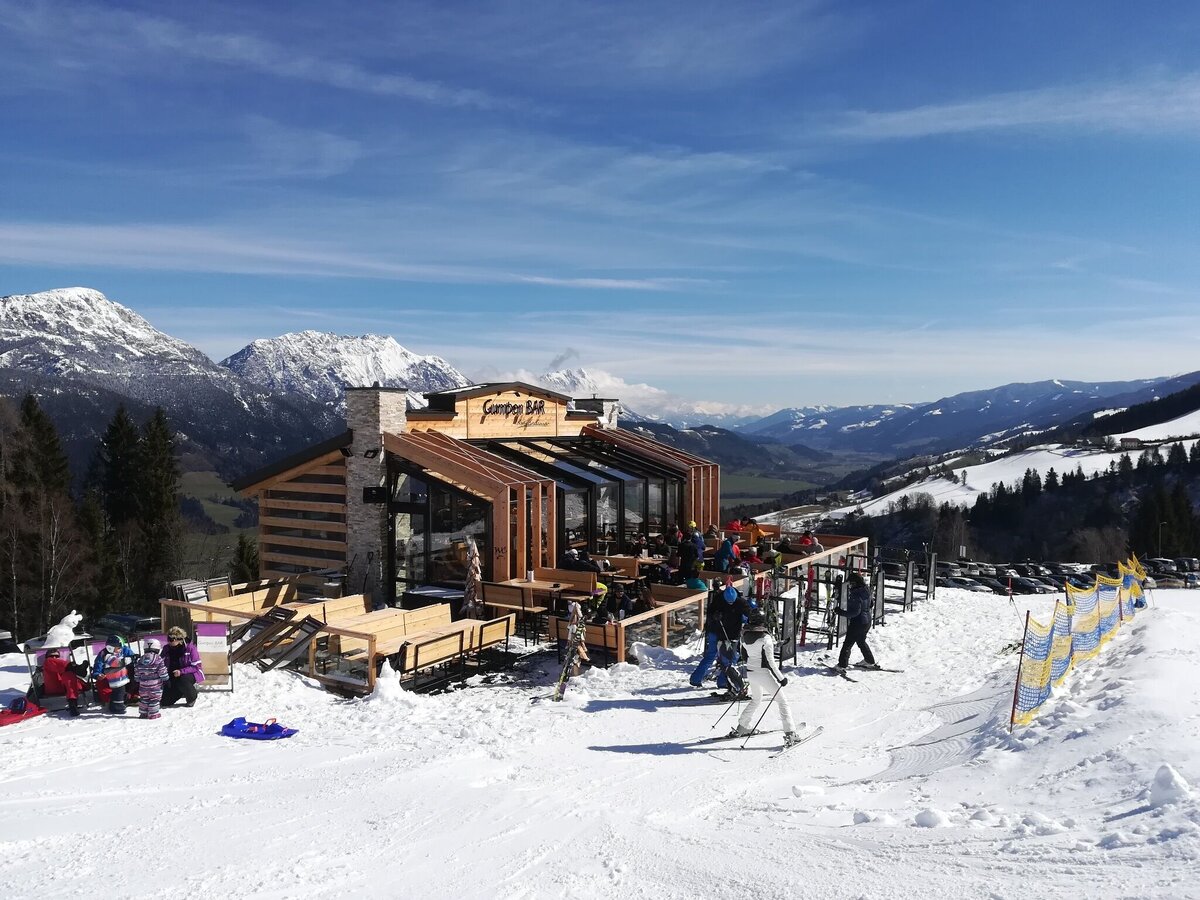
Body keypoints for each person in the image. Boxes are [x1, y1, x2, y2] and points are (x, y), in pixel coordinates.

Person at [730, 611, 800, 746]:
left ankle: (742, 726)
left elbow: (744, 655)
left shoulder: (744, 635)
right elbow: (770, 661)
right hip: (763, 674)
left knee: (756, 699)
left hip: (751, 672)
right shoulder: (765, 638)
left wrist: (776, 645)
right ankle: (790, 733)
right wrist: (781, 678)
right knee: (782, 701)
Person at [689, 584, 753, 692]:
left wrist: (752, 619)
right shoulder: (718, 600)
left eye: (732, 602)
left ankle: (722, 681)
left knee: (728, 659)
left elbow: (749, 613)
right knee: (713, 655)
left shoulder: (741, 602)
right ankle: (696, 679)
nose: (730, 604)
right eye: (728, 602)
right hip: (715, 631)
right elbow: (710, 613)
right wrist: (714, 616)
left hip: (731, 634)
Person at [835, 572, 878, 670]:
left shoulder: (856, 594)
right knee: (861, 641)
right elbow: (871, 604)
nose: (850, 586)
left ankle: (842, 665)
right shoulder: (866, 590)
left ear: (855, 583)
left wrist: (840, 612)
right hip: (867, 621)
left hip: (857, 622)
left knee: (848, 643)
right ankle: (869, 660)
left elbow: (855, 612)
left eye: (850, 583)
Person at [161, 627, 205, 708]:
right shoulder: (166, 648)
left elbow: (196, 666)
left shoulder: (190, 648)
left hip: (190, 673)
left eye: (171, 639)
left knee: (183, 680)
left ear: (179, 639)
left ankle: (192, 697)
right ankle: (181, 691)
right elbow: (160, 661)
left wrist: (181, 671)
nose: (169, 641)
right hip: (172, 675)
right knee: (165, 702)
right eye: (168, 639)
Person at [92, 635, 134, 714]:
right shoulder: (105, 654)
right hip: (109, 677)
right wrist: (97, 674)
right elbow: (98, 664)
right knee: (114, 691)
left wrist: (133, 659)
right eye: (119, 648)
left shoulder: (124, 649)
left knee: (134, 679)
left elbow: (132, 658)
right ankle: (115, 704)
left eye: (121, 647)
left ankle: (130, 697)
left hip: (124, 676)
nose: (120, 649)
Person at [42, 647, 87, 717]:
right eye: (51, 656)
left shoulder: (62, 667)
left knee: (69, 674)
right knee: (50, 662)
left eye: (56, 656)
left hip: (66, 688)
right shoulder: (47, 662)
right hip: (53, 687)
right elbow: (54, 663)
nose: (54, 657)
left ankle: (72, 704)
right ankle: (76, 668)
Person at [134, 639, 168, 720]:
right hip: (155, 686)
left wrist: (137, 678)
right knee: (154, 699)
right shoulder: (158, 659)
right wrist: (165, 677)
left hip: (143, 685)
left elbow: (137, 671)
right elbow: (162, 671)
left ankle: (143, 713)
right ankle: (153, 714)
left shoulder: (141, 659)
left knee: (144, 699)